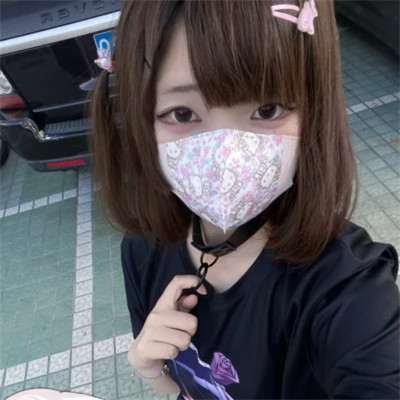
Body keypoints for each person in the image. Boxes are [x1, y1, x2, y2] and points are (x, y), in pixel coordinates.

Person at [88, 0, 400, 398]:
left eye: (266, 109)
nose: (227, 158)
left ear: (313, 111)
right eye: (182, 114)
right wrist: (148, 367)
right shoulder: (142, 250)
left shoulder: (346, 288)